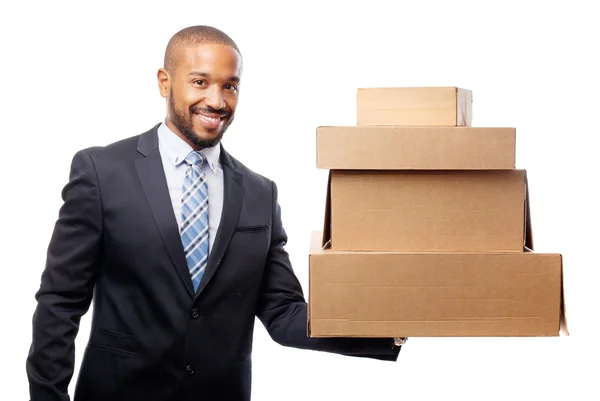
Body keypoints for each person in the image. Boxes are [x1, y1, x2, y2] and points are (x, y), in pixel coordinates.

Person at [26, 25, 403, 401]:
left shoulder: (259, 193)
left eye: (230, 86)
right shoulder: (102, 172)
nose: (217, 100)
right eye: (200, 82)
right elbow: (60, 302)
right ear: (164, 82)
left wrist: (389, 325)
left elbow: (284, 312)